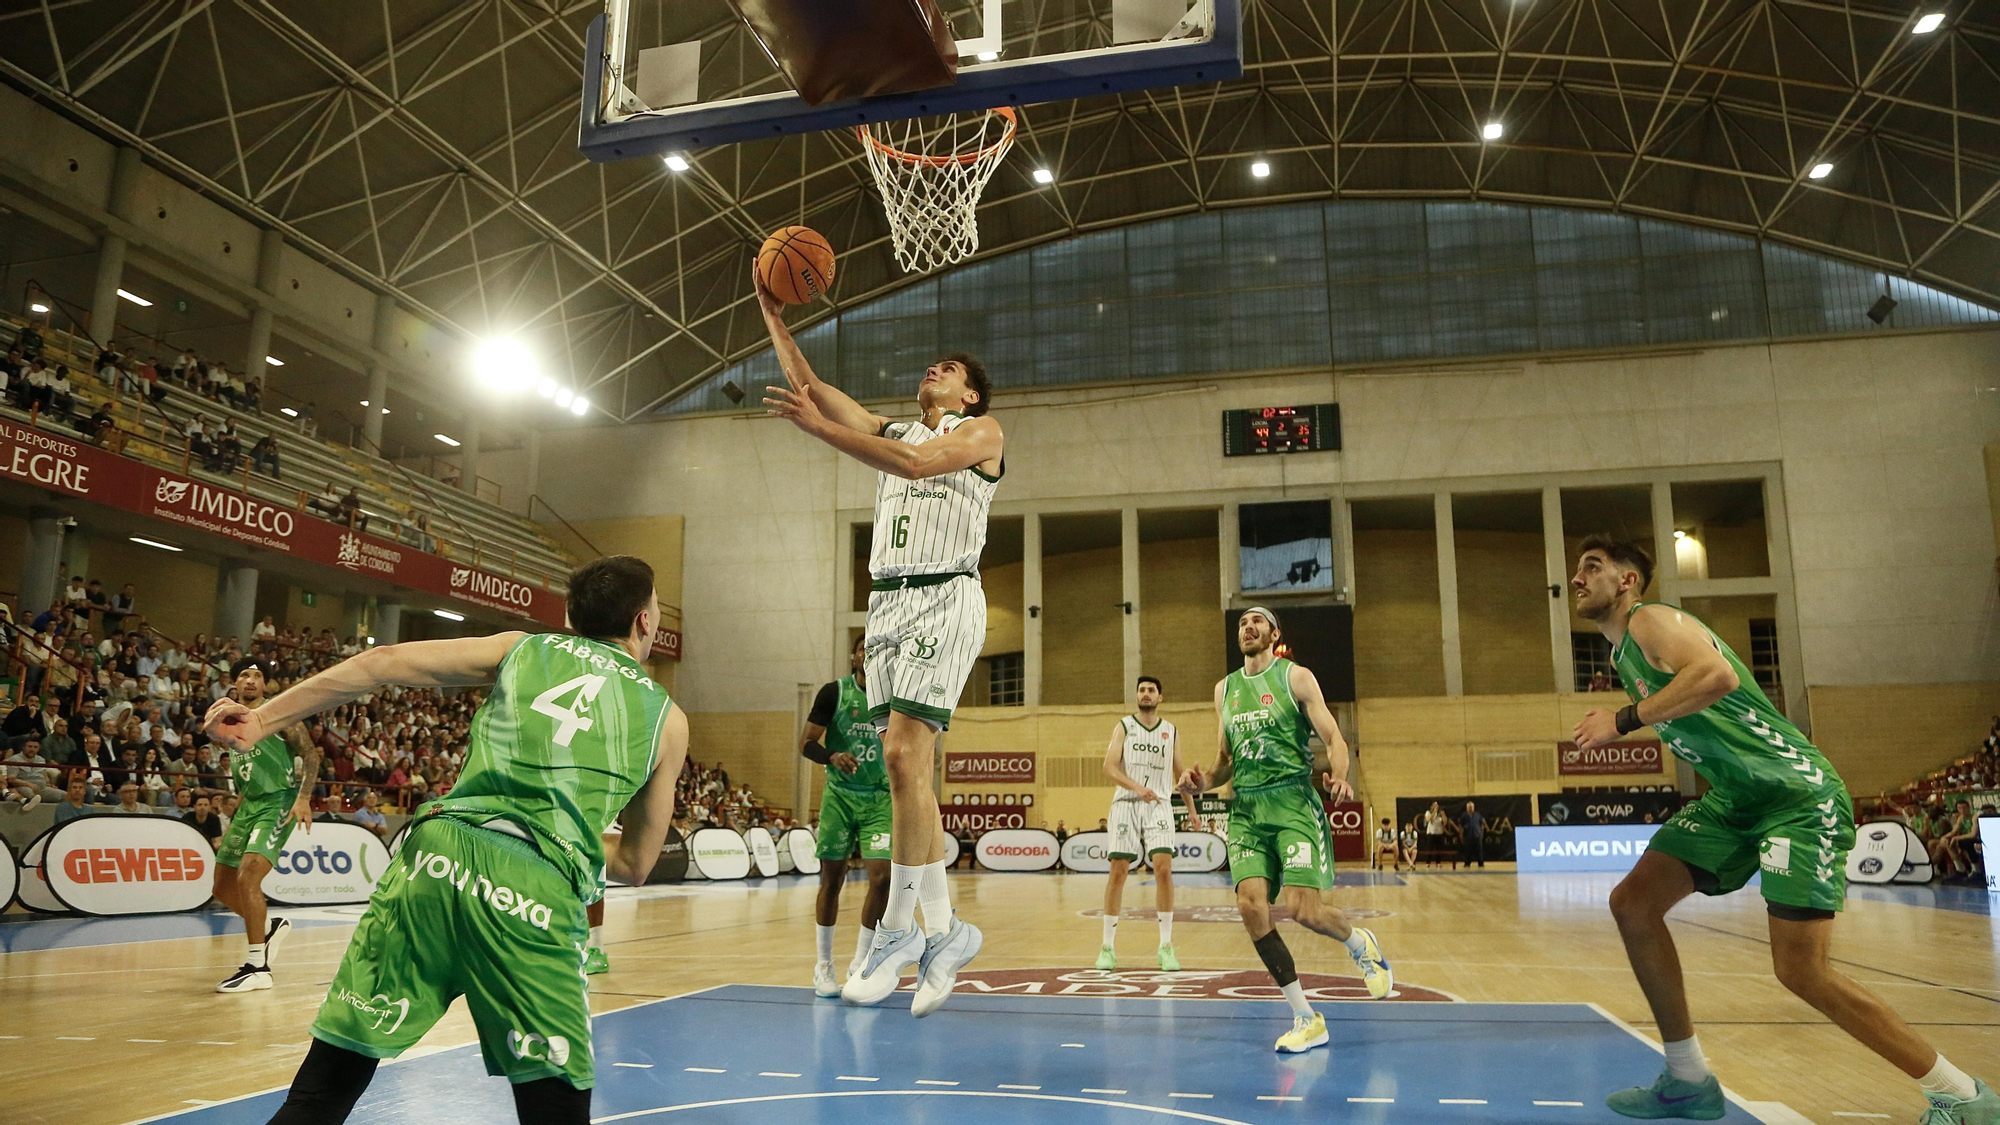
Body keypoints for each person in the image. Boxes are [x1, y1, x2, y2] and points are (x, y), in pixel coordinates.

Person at [202, 554, 688, 1125]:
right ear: (644, 622)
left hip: (435, 859)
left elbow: (381, 662)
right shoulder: (668, 719)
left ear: (569, 615)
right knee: (553, 1108)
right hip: (532, 895)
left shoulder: (522, 648)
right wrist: (565, 840)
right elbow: (634, 863)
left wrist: (262, 721)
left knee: (324, 1091)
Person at [1569, 536, 1995, 1121]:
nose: (1578, 577)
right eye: (1576, 569)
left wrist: (1623, 721)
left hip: (1796, 796)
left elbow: (1715, 675)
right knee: (1633, 904)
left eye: (1593, 567)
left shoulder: (1652, 620)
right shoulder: (1624, 656)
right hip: (1738, 801)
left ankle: (1964, 1096)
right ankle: (1688, 1079)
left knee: (1800, 971)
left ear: (1627, 582)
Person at [760, 269, 996, 1017]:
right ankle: (948, 929)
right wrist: (771, 310)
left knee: (899, 755)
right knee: (910, 771)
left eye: (950, 369)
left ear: (970, 396)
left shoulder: (982, 435)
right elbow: (811, 385)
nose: (937, 369)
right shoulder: (894, 426)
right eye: (935, 365)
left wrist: (820, 430)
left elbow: (918, 463)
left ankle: (898, 930)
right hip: (887, 605)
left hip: (944, 592)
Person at [1177, 606, 1391, 1053]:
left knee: (1304, 910)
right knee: (1250, 907)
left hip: (1292, 800)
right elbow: (1223, 763)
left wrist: (1341, 773)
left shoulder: (1296, 678)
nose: (1248, 627)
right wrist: (1201, 783)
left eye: (1257, 622)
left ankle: (1359, 944)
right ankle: (1305, 1017)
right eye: (1242, 623)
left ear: (1274, 634)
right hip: (1247, 809)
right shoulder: (1225, 690)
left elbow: (1334, 738)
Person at [210, 658, 320, 993]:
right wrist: (236, 812)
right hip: (248, 807)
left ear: (266, 685)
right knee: (222, 888)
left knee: (249, 874)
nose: (251, 680)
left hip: (279, 802)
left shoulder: (278, 714)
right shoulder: (228, 719)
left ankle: (258, 965)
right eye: (245, 674)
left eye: (258, 676)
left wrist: (303, 798)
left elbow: (312, 756)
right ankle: (268, 927)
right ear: (235, 683)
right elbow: (246, 769)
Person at [800, 634, 892, 997]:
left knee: (882, 878)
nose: (869, 655)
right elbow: (806, 743)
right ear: (854, 657)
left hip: (879, 799)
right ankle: (824, 964)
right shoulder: (833, 693)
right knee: (832, 880)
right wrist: (832, 756)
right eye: (863, 650)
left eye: (876, 651)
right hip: (839, 796)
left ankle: (860, 961)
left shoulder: (893, 698)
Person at [1096, 674, 1186, 971]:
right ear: (1137, 696)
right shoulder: (1124, 726)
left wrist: (1193, 810)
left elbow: (1180, 774)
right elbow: (1108, 767)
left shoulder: (1170, 731)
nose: (1146, 694)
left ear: (1160, 697)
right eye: (1142, 690)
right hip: (1126, 803)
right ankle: (1107, 946)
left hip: (1159, 804)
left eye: (1151, 690)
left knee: (1163, 869)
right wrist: (1136, 787)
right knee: (1119, 872)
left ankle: (1166, 946)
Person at [1422, 800, 1450, 870]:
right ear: (1431, 806)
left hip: (1439, 833)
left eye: (1437, 805)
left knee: (1439, 848)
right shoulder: (1428, 812)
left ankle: (1438, 862)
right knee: (1430, 848)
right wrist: (1434, 812)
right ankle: (1428, 862)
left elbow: (1445, 822)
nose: (1436, 806)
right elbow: (1429, 819)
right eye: (1434, 805)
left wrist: (1443, 815)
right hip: (1431, 833)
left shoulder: (1440, 813)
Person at [1457, 800, 1486, 868]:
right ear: (1467, 808)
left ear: (1474, 807)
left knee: (1479, 850)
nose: (1470, 808)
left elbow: (1482, 823)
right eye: (1469, 807)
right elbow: (1460, 826)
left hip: (1477, 835)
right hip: (1468, 835)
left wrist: (1481, 832)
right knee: (1468, 850)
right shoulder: (1464, 815)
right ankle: (1467, 863)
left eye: (1471, 807)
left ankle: (1480, 863)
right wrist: (1461, 834)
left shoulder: (1478, 814)